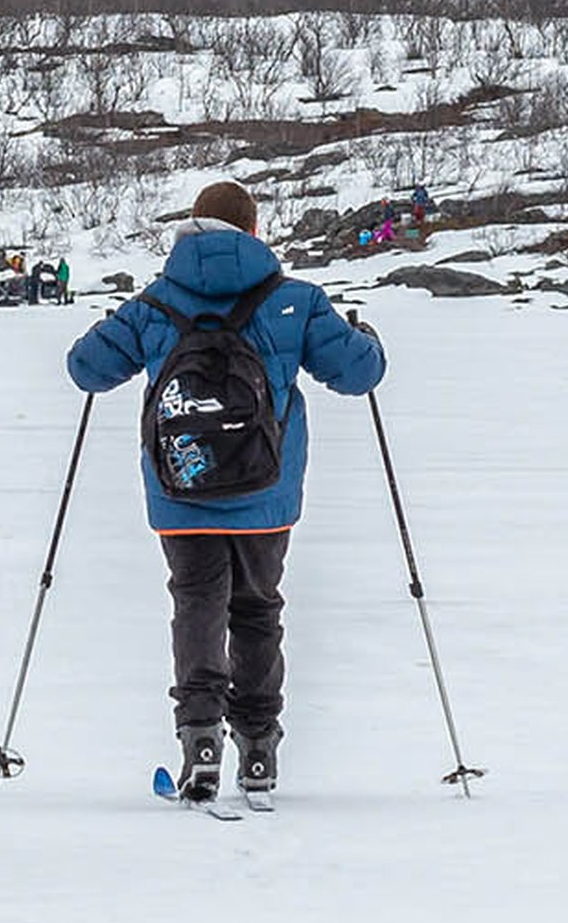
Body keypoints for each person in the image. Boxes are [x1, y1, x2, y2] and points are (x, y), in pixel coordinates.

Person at [65, 180, 384, 805]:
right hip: (267, 493)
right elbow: (359, 373)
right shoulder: (294, 301)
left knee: (197, 605)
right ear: (255, 231)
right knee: (259, 608)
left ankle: (201, 739)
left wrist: (112, 326)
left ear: (191, 228)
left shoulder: (154, 304)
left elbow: (86, 370)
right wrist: (365, 336)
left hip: (180, 491)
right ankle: (259, 748)